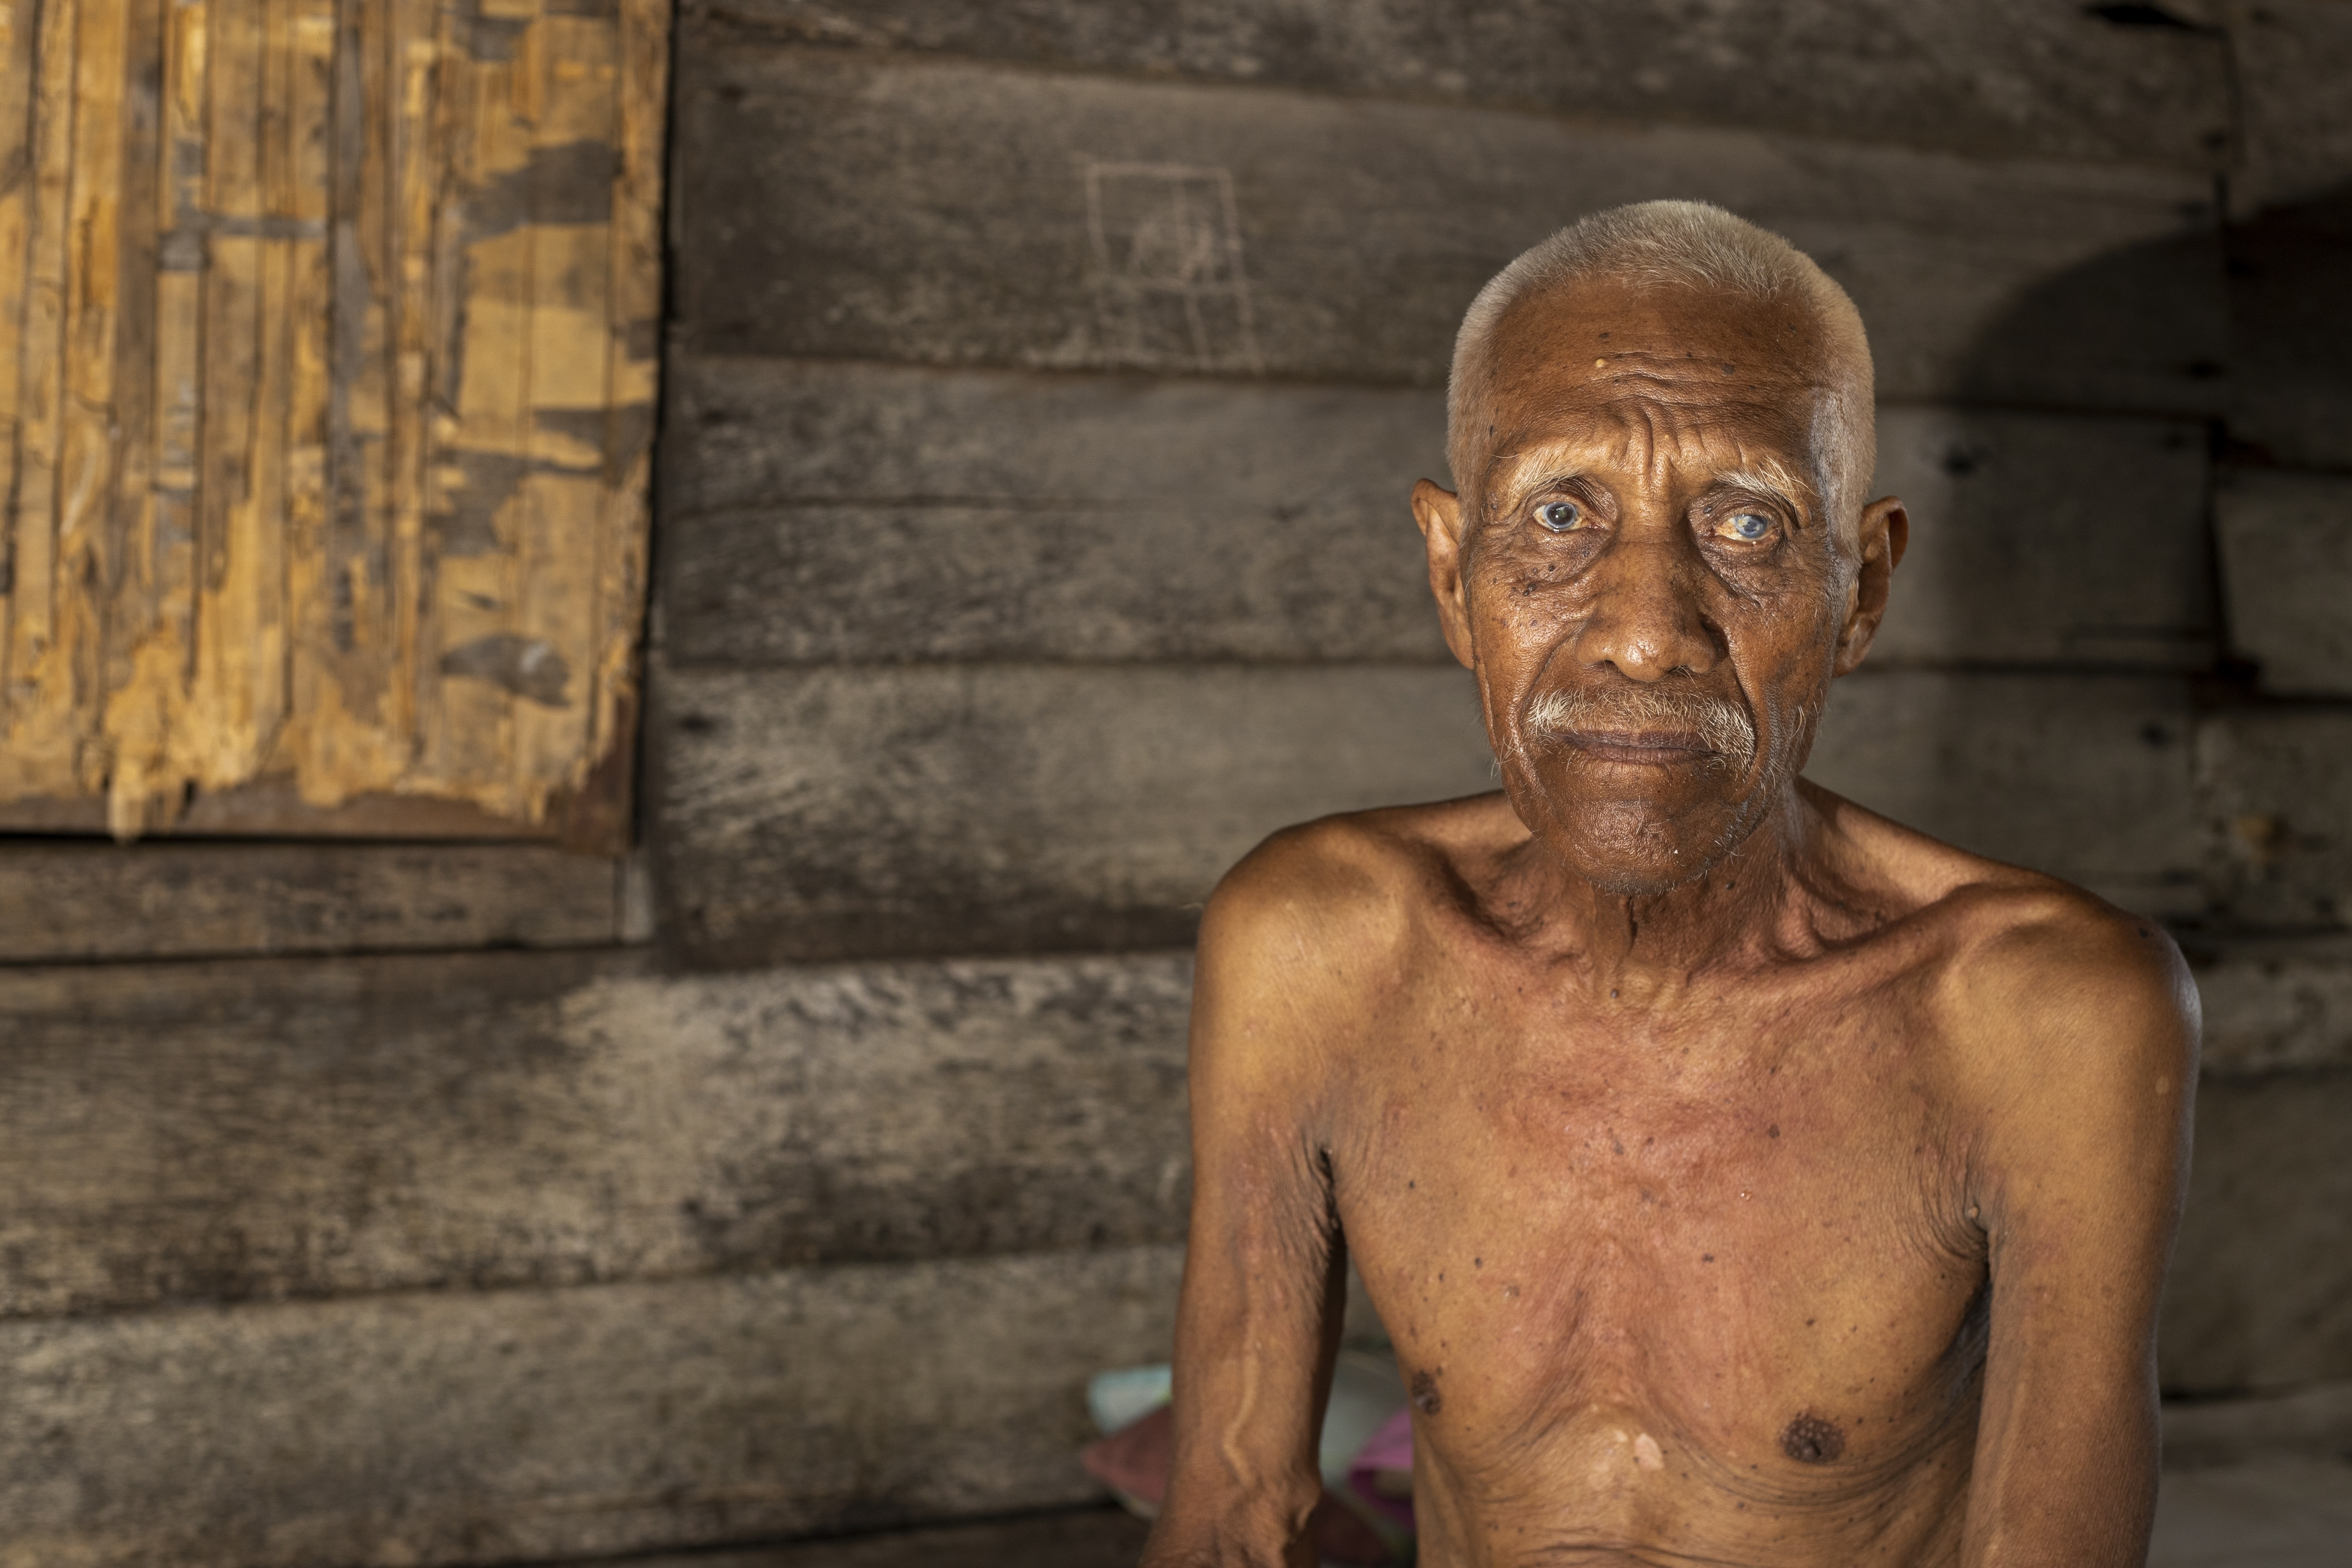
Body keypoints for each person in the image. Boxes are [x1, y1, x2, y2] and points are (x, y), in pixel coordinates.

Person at [1141, 201, 2198, 1568]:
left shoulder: (2042, 1013)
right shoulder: (1316, 943)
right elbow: (1226, 1518)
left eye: (1748, 526)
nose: (1645, 635)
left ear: (1859, 587)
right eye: (1562, 515)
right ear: (1453, 576)